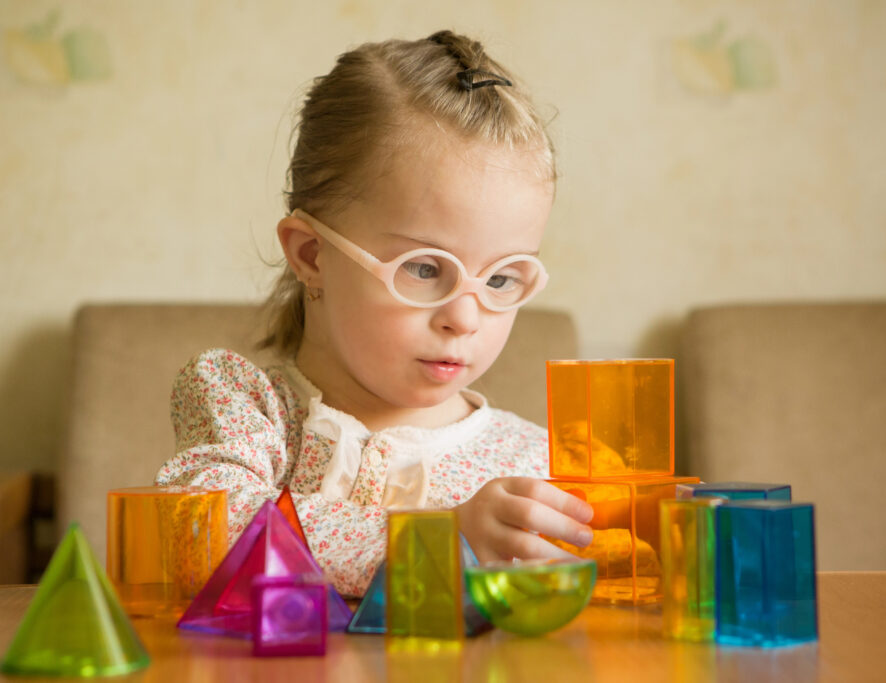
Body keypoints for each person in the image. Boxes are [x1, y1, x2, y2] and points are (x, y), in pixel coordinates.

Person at [155, 30, 594, 596]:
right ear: (312, 256)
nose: (464, 318)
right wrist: (436, 540)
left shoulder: (536, 464)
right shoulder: (244, 410)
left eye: (502, 278)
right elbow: (207, 536)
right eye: (425, 268)